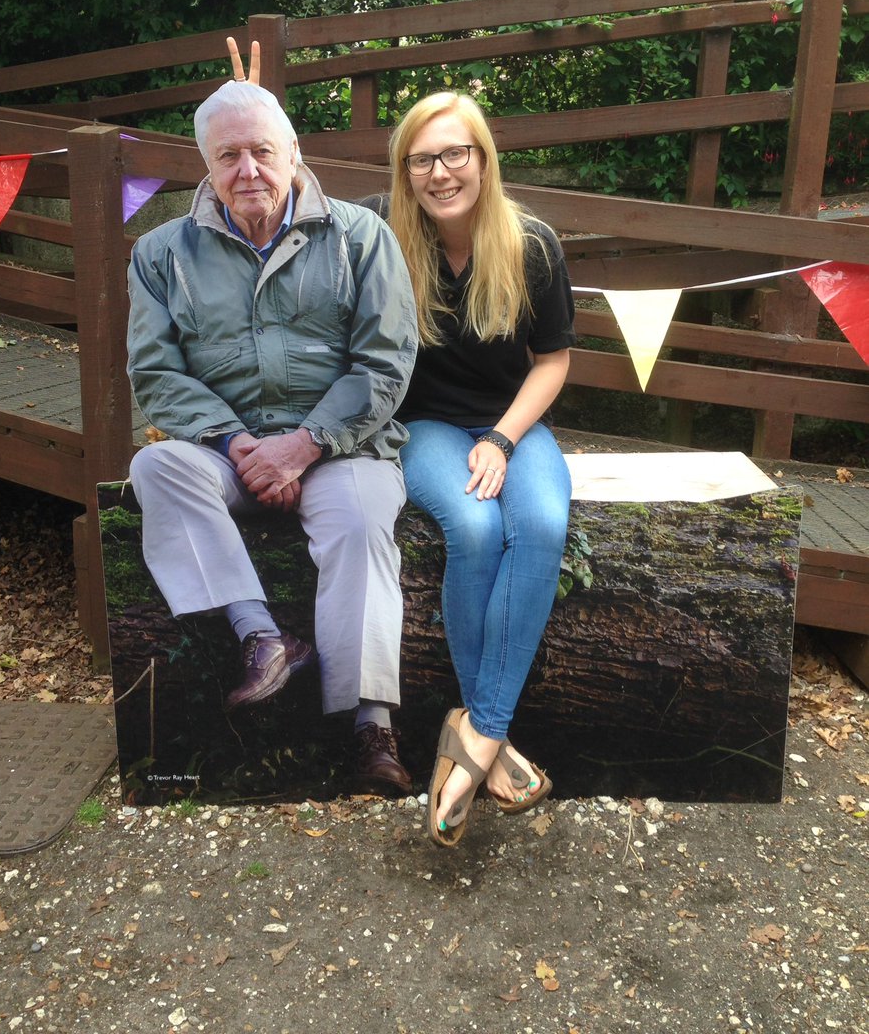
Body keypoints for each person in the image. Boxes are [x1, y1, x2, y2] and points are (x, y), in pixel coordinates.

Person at [125, 43, 418, 794]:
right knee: (155, 465)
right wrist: (239, 442)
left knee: (359, 520)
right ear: (206, 166)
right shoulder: (161, 254)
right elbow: (155, 374)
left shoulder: (361, 236)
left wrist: (306, 442)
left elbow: (385, 363)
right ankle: (264, 636)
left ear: (295, 152)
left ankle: (371, 730)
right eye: (229, 157)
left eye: (262, 151)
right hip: (226, 447)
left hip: (343, 446)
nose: (247, 170)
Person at [380, 91, 575, 846]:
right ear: (406, 170)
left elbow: (553, 362)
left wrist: (500, 436)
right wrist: (254, 112)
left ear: (484, 158)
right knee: (471, 525)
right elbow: (293, 192)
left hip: (513, 421)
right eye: (422, 158)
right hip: (423, 425)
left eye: (454, 153)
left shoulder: (531, 244)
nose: (439, 172)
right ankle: (489, 748)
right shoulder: (385, 237)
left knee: (542, 522)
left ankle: (474, 735)